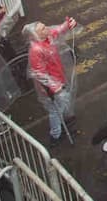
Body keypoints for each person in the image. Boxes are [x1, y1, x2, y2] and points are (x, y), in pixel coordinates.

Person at [24, 17, 78, 147]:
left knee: (62, 104)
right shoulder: (36, 50)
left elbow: (58, 30)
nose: (46, 28)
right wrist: (55, 87)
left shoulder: (47, 38)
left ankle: (63, 123)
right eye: (42, 28)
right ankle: (56, 135)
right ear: (35, 35)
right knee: (55, 111)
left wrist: (68, 24)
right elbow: (39, 74)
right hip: (49, 88)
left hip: (58, 79)